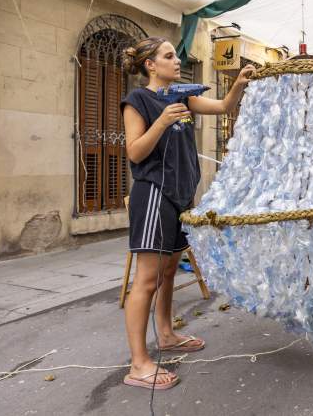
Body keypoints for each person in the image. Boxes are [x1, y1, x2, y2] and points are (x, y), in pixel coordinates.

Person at [120, 37, 255, 390]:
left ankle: (165, 334)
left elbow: (225, 106)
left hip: (181, 196)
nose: (176, 61)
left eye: (176, 55)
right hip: (153, 194)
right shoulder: (138, 101)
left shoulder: (182, 96)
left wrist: (239, 83)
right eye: (168, 56)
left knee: (168, 272)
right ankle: (138, 364)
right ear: (151, 64)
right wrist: (162, 122)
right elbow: (135, 153)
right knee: (147, 280)